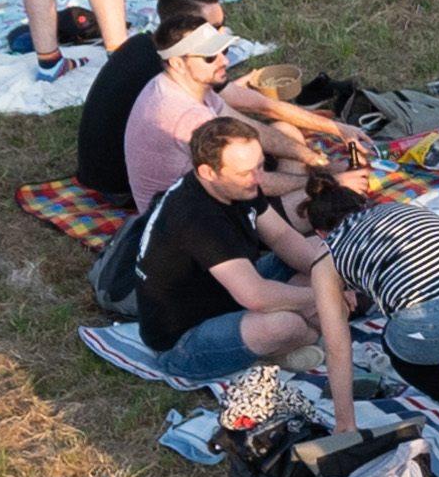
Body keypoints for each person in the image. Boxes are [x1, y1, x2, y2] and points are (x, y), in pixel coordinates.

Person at [120, 118, 356, 421]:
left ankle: (292, 339)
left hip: (226, 294)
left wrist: (332, 278)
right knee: (287, 325)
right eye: (246, 172)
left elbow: (281, 237)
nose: (258, 178)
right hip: (182, 340)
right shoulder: (196, 217)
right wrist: (325, 295)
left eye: (260, 166)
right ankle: (283, 347)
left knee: (321, 257)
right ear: (208, 172)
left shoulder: (238, 186)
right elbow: (256, 296)